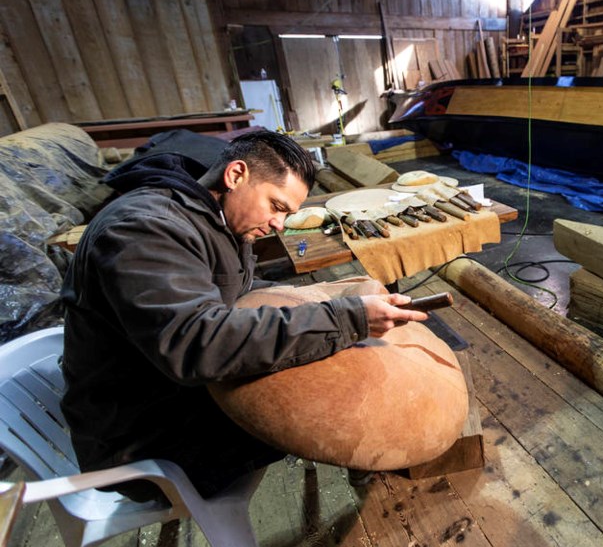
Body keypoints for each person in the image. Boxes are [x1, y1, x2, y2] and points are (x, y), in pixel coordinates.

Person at [60, 130, 427, 501]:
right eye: (277, 206)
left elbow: (228, 290)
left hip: (166, 396)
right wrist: (346, 318)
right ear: (236, 175)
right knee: (339, 396)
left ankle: (366, 462)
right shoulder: (143, 229)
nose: (279, 224)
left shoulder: (212, 215)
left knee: (326, 352)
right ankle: (377, 478)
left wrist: (321, 294)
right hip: (142, 440)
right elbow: (199, 343)